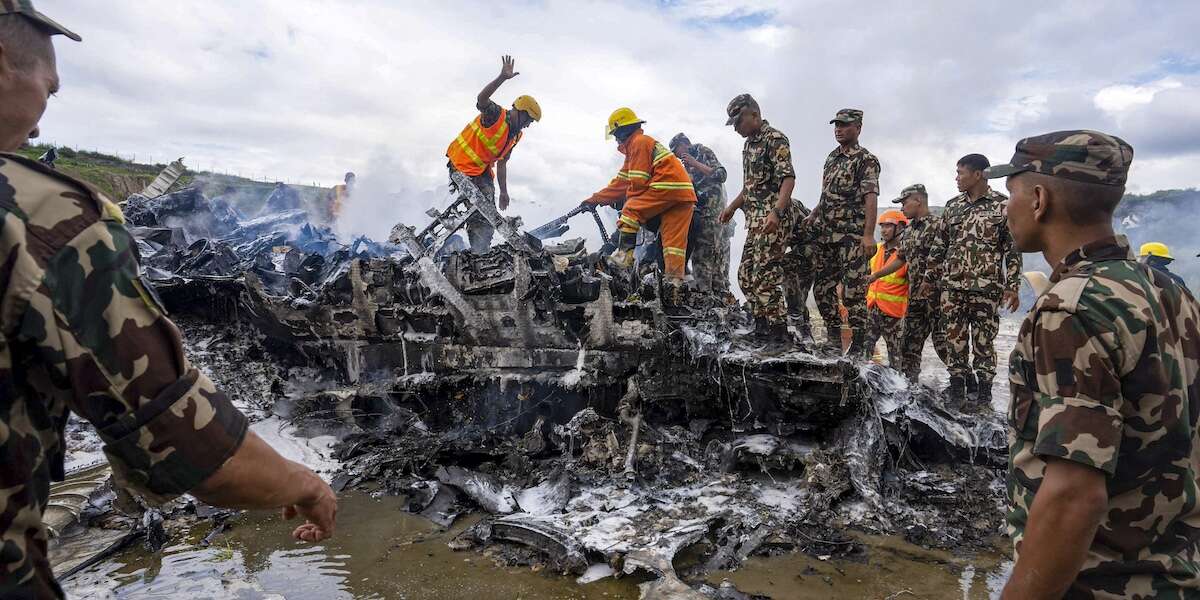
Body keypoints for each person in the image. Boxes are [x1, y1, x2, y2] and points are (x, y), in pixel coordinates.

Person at [0, 5, 337, 597]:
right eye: (48, 89)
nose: (39, 125)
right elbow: (190, 444)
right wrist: (307, 485)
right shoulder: (42, 216)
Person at [993, 130, 1200, 598]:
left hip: (1098, 584)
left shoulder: (1069, 309)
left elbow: (1073, 497)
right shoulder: (1169, 291)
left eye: (1011, 194)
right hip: (1175, 575)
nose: (1006, 209)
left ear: (1039, 199)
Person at [925, 154, 1021, 408]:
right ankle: (957, 389)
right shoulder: (953, 206)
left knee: (984, 342)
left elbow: (1012, 249)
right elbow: (939, 245)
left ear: (978, 175)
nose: (956, 178)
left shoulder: (1002, 206)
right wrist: (929, 278)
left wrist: (1012, 286)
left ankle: (984, 394)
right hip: (952, 287)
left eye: (960, 173)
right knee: (953, 339)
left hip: (986, 289)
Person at [584, 108, 696, 309]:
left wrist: (627, 203)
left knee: (631, 209)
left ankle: (623, 259)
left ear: (622, 131)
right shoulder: (641, 145)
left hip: (667, 186)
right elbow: (620, 182)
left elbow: (637, 182)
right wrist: (596, 199)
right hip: (683, 195)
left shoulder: (638, 143)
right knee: (673, 245)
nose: (617, 141)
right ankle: (674, 287)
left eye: (616, 136)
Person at [718, 94, 795, 345]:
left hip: (772, 220)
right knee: (745, 276)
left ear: (754, 114)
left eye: (739, 121)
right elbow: (749, 187)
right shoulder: (749, 145)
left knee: (765, 276)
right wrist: (731, 207)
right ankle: (762, 326)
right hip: (754, 221)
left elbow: (788, 179)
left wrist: (777, 212)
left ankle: (779, 333)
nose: (737, 128)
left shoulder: (774, 139)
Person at [802, 109, 880, 356]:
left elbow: (870, 197)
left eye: (845, 125)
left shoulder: (865, 159)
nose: (838, 129)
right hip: (828, 237)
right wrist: (814, 214)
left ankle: (858, 348)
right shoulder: (831, 158)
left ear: (858, 128)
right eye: (836, 125)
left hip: (852, 238)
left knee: (854, 294)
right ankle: (834, 339)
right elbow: (827, 195)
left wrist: (868, 235)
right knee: (822, 289)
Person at [446, 55, 541, 254]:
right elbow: (481, 100)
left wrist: (505, 192)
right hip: (462, 163)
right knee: (483, 208)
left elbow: (503, 163)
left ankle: (480, 250)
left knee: (489, 208)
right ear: (520, 112)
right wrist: (502, 78)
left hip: (480, 171)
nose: (528, 124)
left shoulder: (516, 135)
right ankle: (479, 252)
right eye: (528, 119)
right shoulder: (496, 114)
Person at [871, 184, 951, 383]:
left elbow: (950, 257)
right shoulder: (909, 231)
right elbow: (901, 259)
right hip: (916, 298)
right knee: (909, 347)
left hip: (939, 298)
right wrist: (876, 275)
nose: (902, 208)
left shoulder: (938, 225)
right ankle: (909, 387)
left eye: (905, 203)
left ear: (918, 201)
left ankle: (965, 386)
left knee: (944, 345)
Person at [670, 133, 731, 297]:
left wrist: (695, 163)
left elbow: (721, 175)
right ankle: (711, 295)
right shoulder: (685, 166)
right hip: (700, 214)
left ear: (685, 144)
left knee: (706, 255)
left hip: (713, 214)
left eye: (677, 150)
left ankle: (707, 295)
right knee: (704, 254)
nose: (676, 155)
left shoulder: (703, 152)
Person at [863, 209, 909, 365]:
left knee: (895, 356)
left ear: (901, 228)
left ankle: (898, 387)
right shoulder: (875, 250)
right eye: (882, 226)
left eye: (889, 226)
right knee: (864, 351)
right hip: (872, 308)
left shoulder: (906, 254)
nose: (884, 230)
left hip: (894, 313)